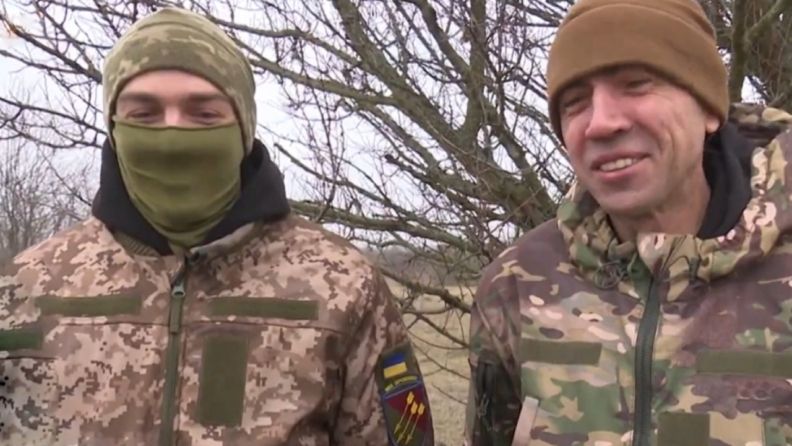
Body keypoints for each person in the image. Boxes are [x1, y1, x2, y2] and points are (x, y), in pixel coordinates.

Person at [0, 7, 433, 446]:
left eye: (203, 114)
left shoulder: (343, 284)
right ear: (113, 128)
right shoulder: (25, 287)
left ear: (243, 129)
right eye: (144, 114)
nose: (172, 135)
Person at [466, 0, 792, 444]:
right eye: (575, 103)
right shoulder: (516, 286)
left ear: (709, 107)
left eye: (636, 85)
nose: (601, 123)